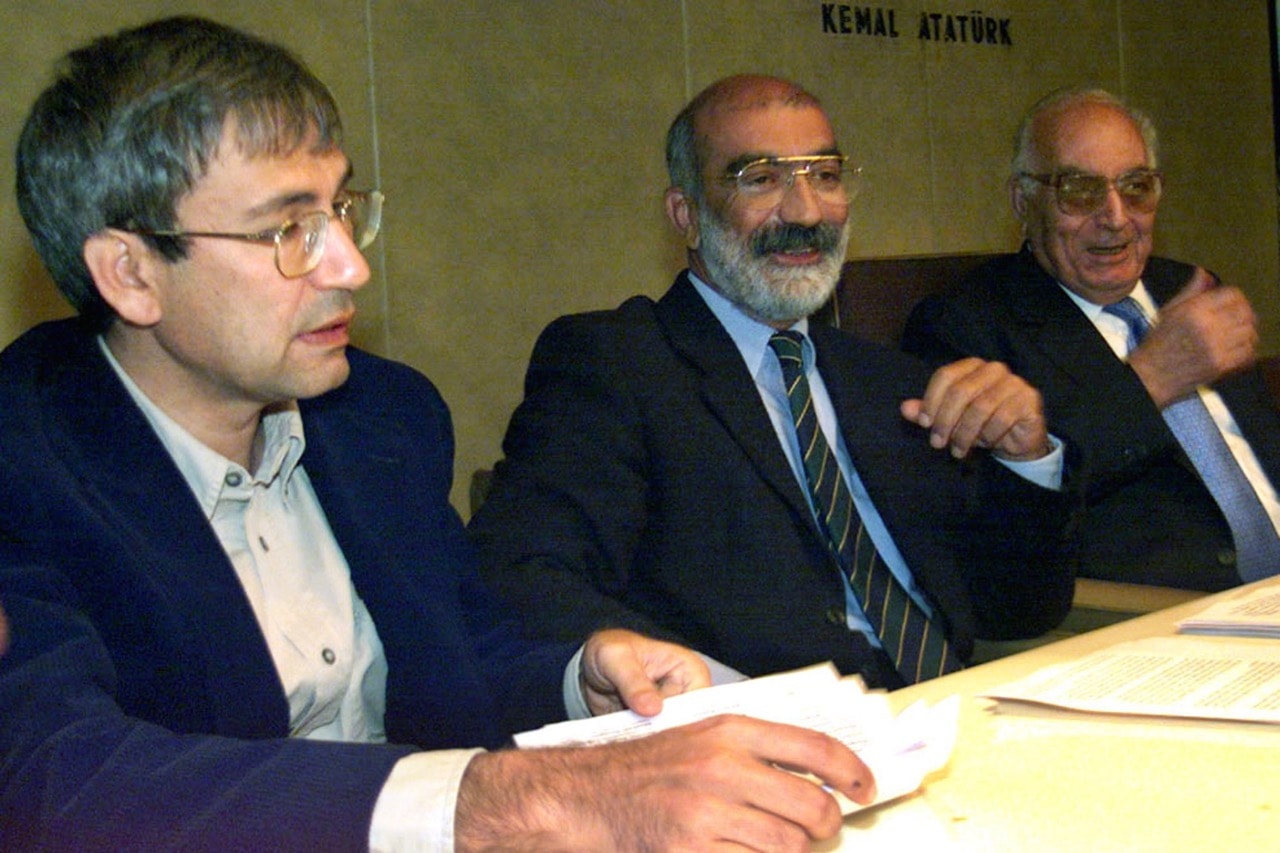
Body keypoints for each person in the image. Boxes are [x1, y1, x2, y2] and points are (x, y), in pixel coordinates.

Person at [0, 19, 877, 851]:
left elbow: (462, 658)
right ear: (130, 273)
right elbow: (52, 775)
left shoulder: (382, 419)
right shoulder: (21, 459)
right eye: (287, 230)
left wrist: (580, 673)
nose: (351, 264)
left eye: (341, 209)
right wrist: (506, 802)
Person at [469, 74, 1081, 690]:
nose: (806, 211)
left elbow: (1018, 609)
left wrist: (1027, 458)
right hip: (764, 739)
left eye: (826, 176)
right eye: (761, 179)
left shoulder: (889, 382)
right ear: (686, 215)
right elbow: (522, 572)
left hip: (951, 714)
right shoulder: (616, 364)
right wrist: (696, 689)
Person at [903, 86, 1280, 591]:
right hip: (1157, 618)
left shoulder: (1187, 287)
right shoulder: (964, 326)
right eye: (1079, 191)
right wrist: (1150, 380)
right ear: (1023, 199)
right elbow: (993, 528)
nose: (1116, 217)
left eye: (1136, 187)